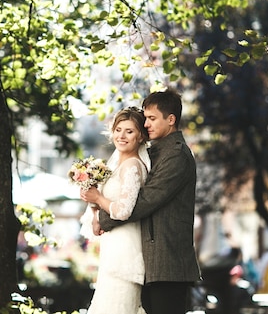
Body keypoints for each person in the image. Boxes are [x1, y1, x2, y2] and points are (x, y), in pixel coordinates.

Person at [82, 89, 202, 314]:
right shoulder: (155, 152)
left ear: (171, 119)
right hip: (149, 262)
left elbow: (146, 201)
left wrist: (102, 216)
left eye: (152, 118)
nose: (146, 124)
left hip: (168, 263)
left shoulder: (176, 155)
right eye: (145, 118)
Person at [78, 107, 151, 314]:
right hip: (113, 248)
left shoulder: (132, 166)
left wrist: (98, 198)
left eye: (129, 131)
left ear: (140, 136)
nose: (122, 135)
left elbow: (123, 211)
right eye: (119, 129)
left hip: (126, 251)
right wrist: (93, 208)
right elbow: (106, 203)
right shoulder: (116, 166)